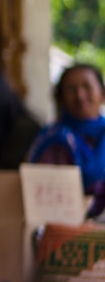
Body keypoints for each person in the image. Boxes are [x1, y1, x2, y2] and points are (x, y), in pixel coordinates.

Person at [26, 63, 105, 218]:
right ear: (61, 98)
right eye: (71, 89)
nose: (80, 95)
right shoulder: (53, 140)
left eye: (86, 86)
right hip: (62, 229)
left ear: (102, 94)